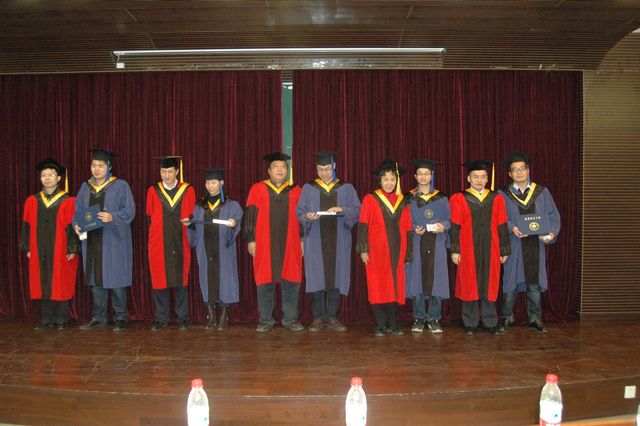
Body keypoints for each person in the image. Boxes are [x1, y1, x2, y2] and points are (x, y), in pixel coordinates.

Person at [297, 151, 360, 332]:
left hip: (339, 239)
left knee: (336, 276)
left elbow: (357, 210)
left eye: (327, 169)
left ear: (334, 167)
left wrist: (342, 209)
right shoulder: (308, 188)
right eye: (320, 169)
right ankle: (317, 318)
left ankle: (332, 317)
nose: (324, 173)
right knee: (316, 276)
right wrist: (307, 216)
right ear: (316, 169)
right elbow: (300, 212)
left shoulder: (346, 188)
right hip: (315, 239)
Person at [498, 151, 561, 333]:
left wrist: (551, 233)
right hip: (514, 244)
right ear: (509, 174)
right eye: (515, 170)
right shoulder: (503, 194)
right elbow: (500, 218)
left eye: (522, 169)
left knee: (534, 282)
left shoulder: (542, 192)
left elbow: (553, 216)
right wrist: (512, 227)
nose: (519, 173)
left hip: (536, 244)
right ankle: (507, 316)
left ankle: (535, 318)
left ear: (528, 170)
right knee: (510, 282)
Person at [74, 149, 135, 331]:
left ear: (109, 166)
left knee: (116, 278)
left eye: (101, 165)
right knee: (95, 279)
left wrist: (112, 217)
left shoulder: (121, 185)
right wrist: (76, 224)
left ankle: (120, 317)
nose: (97, 169)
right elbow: (77, 211)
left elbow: (130, 211)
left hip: (113, 240)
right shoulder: (85, 187)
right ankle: (98, 317)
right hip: (92, 239)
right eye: (94, 165)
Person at [243, 152, 304, 333]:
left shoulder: (296, 190)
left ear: (287, 170)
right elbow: (250, 215)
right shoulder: (257, 189)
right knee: (265, 281)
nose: (280, 170)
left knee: (291, 281)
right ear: (268, 170)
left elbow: (302, 217)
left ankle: (290, 319)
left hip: (291, 242)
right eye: (276, 167)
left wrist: (302, 239)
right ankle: (265, 320)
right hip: (264, 242)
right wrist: (250, 239)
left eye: (283, 167)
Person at [450, 160, 510, 336]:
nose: (479, 180)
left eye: (483, 177)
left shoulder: (496, 198)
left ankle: (491, 322)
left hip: (492, 247)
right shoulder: (459, 198)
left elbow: (502, 225)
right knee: (469, 283)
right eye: (475, 177)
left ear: (487, 179)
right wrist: (455, 250)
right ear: (468, 178)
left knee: (489, 284)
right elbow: (455, 226)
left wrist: (504, 249)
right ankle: (470, 323)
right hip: (467, 248)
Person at [20, 158, 80, 330]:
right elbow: (26, 225)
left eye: (51, 175)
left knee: (60, 281)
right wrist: (28, 247)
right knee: (43, 281)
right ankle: (47, 319)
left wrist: (72, 247)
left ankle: (62, 319)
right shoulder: (32, 200)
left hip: (60, 248)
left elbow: (72, 226)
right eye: (43, 175)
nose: (47, 178)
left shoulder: (68, 200)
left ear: (59, 178)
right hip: (39, 247)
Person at [356, 159, 413, 336]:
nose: (389, 183)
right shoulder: (370, 199)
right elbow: (363, 225)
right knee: (378, 286)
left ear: (397, 181)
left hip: (397, 250)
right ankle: (380, 325)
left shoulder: (403, 201)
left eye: (392, 179)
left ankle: (393, 324)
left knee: (395, 287)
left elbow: (408, 228)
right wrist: (364, 249)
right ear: (380, 181)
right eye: (385, 179)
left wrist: (408, 253)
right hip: (376, 251)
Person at [185, 168, 242, 331]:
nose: (210, 186)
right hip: (205, 249)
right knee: (206, 279)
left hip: (223, 250)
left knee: (225, 280)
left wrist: (233, 224)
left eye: (214, 182)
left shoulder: (231, 204)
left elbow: (237, 221)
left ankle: (223, 317)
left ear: (221, 183)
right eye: (208, 183)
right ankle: (211, 316)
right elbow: (194, 229)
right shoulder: (199, 206)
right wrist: (190, 225)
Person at [146, 156, 196, 331]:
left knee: (181, 279)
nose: (166, 175)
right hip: (158, 242)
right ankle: (161, 318)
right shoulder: (153, 190)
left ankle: (183, 318)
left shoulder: (188, 190)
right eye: (163, 172)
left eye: (169, 172)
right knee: (159, 280)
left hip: (180, 239)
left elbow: (193, 217)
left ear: (177, 172)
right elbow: (149, 217)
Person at [404, 159, 450, 334]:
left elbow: (449, 220)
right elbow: (403, 221)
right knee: (417, 278)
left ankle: (434, 318)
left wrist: (443, 226)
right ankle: (418, 317)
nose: (423, 177)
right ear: (415, 176)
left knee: (437, 279)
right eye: (420, 174)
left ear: (432, 175)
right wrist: (413, 228)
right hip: (417, 241)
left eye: (427, 173)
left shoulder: (441, 197)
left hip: (437, 242)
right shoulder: (408, 198)